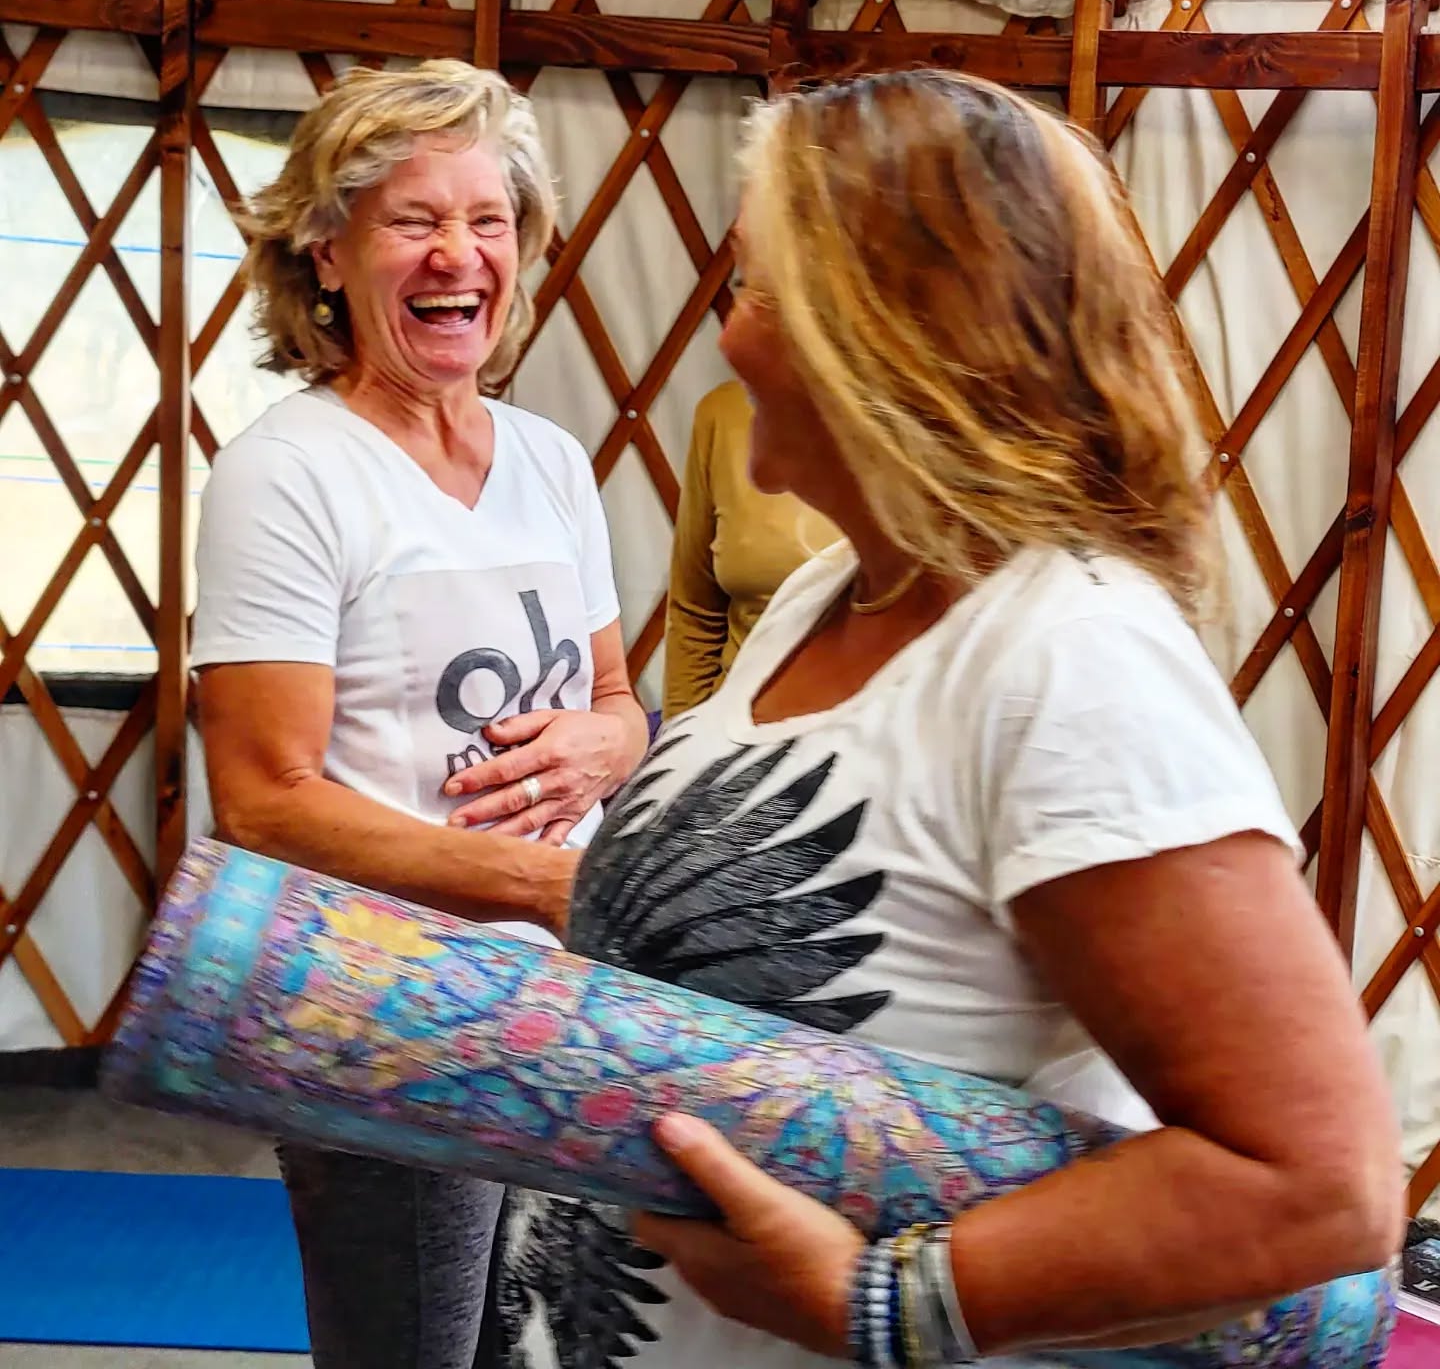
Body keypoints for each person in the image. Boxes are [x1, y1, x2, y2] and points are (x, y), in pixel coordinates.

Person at [493, 69, 1402, 1368]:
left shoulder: (1066, 657)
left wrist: (888, 1304)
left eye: (754, 286)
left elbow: (1318, 1181)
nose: (728, 333)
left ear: (876, 327)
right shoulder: (828, 598)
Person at [190, 59, 649, 1369]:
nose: (462, 253)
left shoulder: (551, 462)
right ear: (327, 255)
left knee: (543, 1349)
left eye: (489, 218)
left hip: (559, 1007)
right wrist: (546, 884)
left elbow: (621, 707)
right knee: (415, 1350)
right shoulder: (289, 475)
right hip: (381, 1012)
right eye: (416, 219)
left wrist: (601, 742)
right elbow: (264, 801)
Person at [663, 380, 839, 719]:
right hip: (738, 730)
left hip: (877, 741)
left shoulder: (931, 410)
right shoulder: (724, 413)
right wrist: (682, 742)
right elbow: (695, 608)